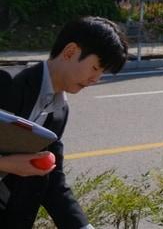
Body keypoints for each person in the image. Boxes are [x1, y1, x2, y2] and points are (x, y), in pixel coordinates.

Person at [0, 17, 127, 229]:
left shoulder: (60, 111)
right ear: (69, 52)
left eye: (102, 73)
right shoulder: (7, 82)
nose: (96, 79)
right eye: (95, 67)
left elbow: (53, 180)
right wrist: (6, 165)